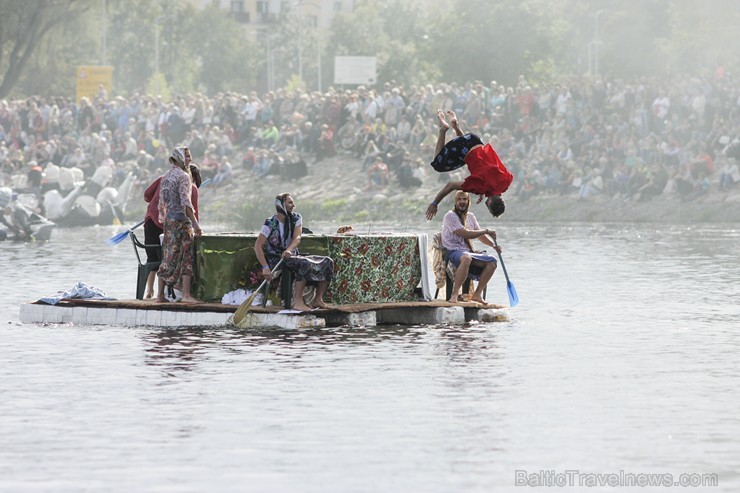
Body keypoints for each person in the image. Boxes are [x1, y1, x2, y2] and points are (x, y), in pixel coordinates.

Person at [425, 110, 513, 221]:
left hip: (474, 140)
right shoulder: (481, 187)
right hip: (465, 148)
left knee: (465, 156)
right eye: (489, 208)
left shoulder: (505, 183)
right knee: (438, 165)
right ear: (489, 203)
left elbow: (489, 176)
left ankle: (456, 126)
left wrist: (483, 191)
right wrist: (435, 203)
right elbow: (451, 185)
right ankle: (443, 129)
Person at [254, 193, 334, 311]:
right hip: (276, 258)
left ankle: (318, 299)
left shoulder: (296, 218)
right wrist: (265, 267)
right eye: (290, 203)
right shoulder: (270, 222)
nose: (293, 205)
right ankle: (297, 302)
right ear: (281, 205)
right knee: (304, 264)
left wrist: (289, 250)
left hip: (291, 254)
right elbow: (257, 246)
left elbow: (297, 238)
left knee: (328, 261)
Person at [144, 162, 202, 299]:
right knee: (181, 257)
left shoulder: (164, 179)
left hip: (159, 221)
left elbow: (147, 196)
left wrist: (159, 202)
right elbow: (192, 210)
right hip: (175, 225)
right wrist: (197, 227)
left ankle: (151, 292)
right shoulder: (191, 187)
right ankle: (183, 292)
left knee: (155, 258)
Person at [441, 190, 501, 304]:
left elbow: (480, 235)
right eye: (459, 199)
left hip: (467, 252)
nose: (462, 202)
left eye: (464, 199)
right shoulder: (450, 216)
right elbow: (466, 233)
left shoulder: (471, 216)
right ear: (455, 201)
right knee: (466, 258)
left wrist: (493, 246)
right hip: (453, 251)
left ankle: (477, 294)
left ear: (468, 201)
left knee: (492, 262)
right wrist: (487, 230)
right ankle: (454, 295)